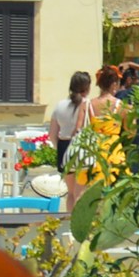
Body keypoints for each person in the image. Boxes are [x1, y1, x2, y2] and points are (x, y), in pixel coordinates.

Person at [48, 71, 93, 211]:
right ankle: (80, 228)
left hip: (64, 146)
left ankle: (69, 223)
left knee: (71, 193)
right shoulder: (87, 104)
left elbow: (52, 134)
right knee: (81, 191)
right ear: (87, 87)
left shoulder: (59, 105)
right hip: (82, 148)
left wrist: (60, 148)